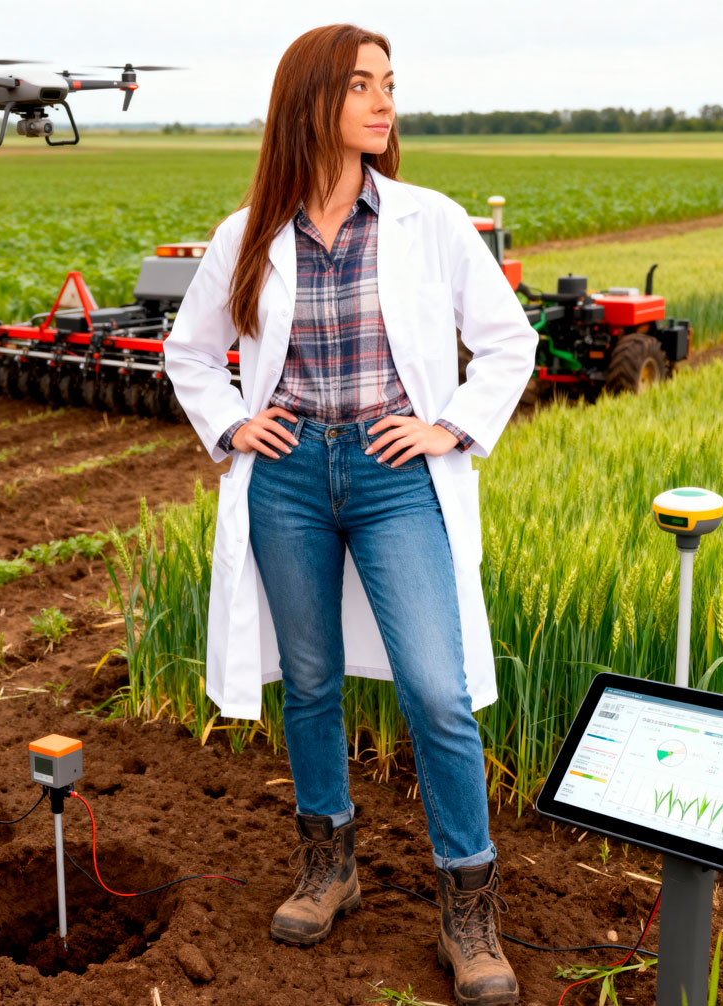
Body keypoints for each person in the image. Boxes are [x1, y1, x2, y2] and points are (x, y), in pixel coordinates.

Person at [162, 23, 537, 1006]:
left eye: (390, 85)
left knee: (437, 690)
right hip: (287, 476)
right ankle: (329, 866)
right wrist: (233, 427)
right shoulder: (246, 232)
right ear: (312, 102)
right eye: (363, 85)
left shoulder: (430, 220)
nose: (385, 103)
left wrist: (449, 426)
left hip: (389, 472)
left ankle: (470, 907)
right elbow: (190, 354)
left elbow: (507, 343)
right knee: (313, 680)